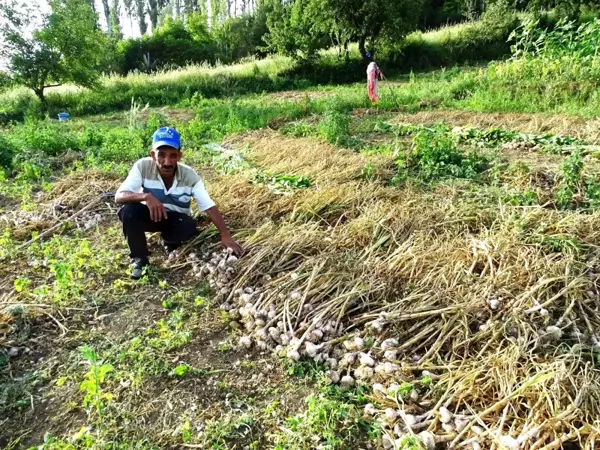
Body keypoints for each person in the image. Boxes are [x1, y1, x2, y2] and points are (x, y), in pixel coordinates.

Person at [115, 126, 242, 279]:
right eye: (161, 155)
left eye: (172, 156)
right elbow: (119, 196)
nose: (167, 162)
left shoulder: (189, 175)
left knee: (188, 227)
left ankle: (168, 240)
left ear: (179, 156)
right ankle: (139, 259)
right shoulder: (143, 167)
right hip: (150, 216)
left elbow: (208, 206)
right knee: (128, 211)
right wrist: (146, 197)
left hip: (175, 220)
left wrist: (225, 234)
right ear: (153, 155)